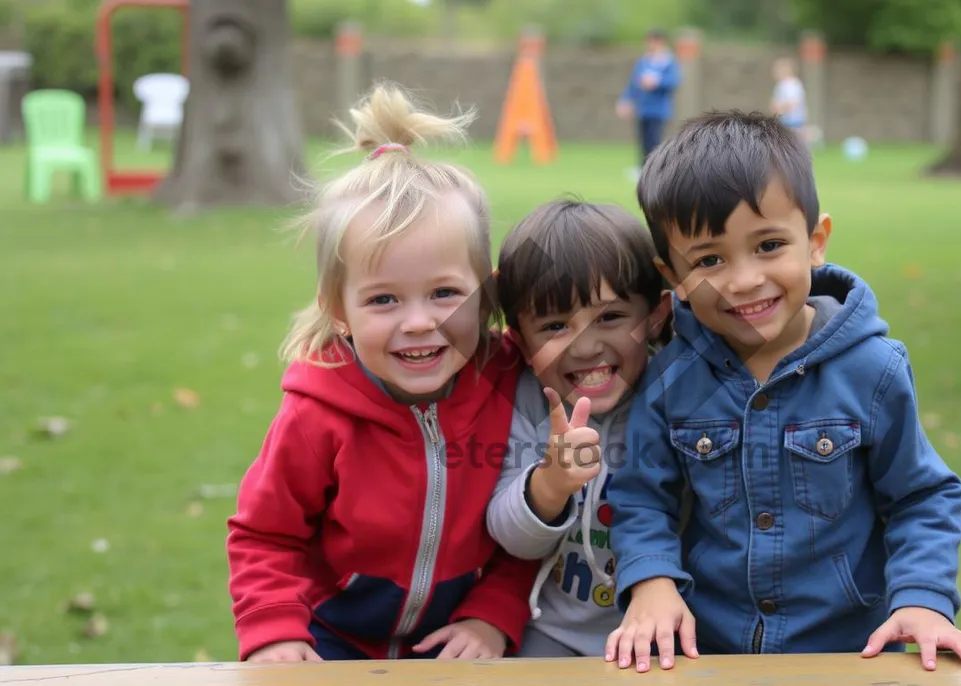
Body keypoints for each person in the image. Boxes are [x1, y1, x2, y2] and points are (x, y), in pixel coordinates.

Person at [603, 111, 961, 673]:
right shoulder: (671, 378)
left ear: (816, 243)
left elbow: (921, 497)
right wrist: (651, 580)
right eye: (710, 260)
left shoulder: (873, 369)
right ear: (673, 277)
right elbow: (643, 496)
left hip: (850, 654)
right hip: (707, 653)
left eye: (768, 245)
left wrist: (922, 599)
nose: (744, 280)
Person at [225, 82, 539, 663]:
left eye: (445, 293)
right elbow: (266, 533)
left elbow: (526, 525)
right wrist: (275, 630)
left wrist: (492, 614)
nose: (419, 322)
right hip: (328, 640)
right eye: (384, 300)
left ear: (487, 293)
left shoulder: (511, 387)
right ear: (336, 309)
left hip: (456, 645)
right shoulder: (316, 413)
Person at [486, 199, 672, 658]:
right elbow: (510, 539)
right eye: (554, 326)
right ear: (520, 342)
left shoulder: (677, 396)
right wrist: (548, 486)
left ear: (655, 315)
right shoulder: (527, 404)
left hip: (662, 628)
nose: (587, 346)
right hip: (550, 634)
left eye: (609, 317)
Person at [616, 29, 681, 176]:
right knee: (643, 140)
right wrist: (626, 100)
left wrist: (656, 82)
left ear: (660, 42)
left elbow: (674, 81)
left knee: (654, 140)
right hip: (643, 108)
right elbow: (633, 84)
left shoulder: (668, 61)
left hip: (658, 110)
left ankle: (655, 170)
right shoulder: (644, 61)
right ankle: (642, 168)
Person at [769, 57, 807, 140]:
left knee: (793, 141)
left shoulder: (793, 84)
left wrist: (780, 107)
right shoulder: (780, 85)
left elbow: (794, 102)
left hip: (793, 120)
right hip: (783, 120)